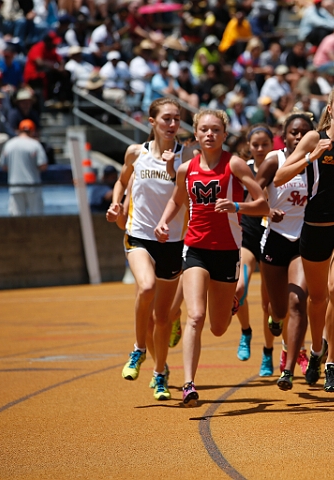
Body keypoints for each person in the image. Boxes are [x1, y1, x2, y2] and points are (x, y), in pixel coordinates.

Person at [154, 109, 269, 407]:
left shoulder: (235, 164)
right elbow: (177, 199)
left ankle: (232, 301)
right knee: (195, 316)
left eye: (215, 129)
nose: (209, 134)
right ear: (195, 134)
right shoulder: (185, 168)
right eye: (204, 129)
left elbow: (263, 205)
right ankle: (189, 384)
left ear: (224, 134)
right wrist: (164, 221)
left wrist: (237, 206)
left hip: (228, 252)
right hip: (195, 249)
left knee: (218, 327)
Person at [274, 84, 334, 392]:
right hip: (313, 228)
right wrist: (310, 157)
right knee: (316, 299)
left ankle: (332, 364)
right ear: (329, 108)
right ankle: (317, 350)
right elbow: (279, 177)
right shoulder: (315, 139)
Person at [106, 98, 189, 401]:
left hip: (173, 241)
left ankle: (160, 373)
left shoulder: (186, 157)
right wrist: (117, 203)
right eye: (166, 118)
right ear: (152, 122)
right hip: (139, 234)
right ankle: (139, 349)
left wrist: (171, 168)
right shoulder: (135, 153)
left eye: (176, 119)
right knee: (146, 287)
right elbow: (122, 180)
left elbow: (184, 194)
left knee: (163, 318)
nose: (172, 124)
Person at [255, 112, 315, 390]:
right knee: (279, 310)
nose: (299, 137)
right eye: (294, 132)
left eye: (304, 132)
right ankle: (273, 318)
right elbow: (252, 195)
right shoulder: (274, 161)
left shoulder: (317, 164)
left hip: (303, 241)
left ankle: (288, 368)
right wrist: (268, 209)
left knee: (296, 302)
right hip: (275, 238)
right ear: (285, 135)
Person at [233, 125, 277, 377]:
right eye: (255, 145)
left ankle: (268, 351)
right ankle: (246, 331)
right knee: (238, 289)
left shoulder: (282, 165)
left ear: (272, 144)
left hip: (273, 235)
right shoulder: (242, 169)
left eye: (265, 144)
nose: (260, 149)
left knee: (269, 304)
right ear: (248, 146)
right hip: (248, 234)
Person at [0, 119, 47, 216]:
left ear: (19, 130)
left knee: (17, 219)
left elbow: (4, 167)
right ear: (33, 131)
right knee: (37, 218)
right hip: (33, 186)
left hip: (15, 186)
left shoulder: (9, 145)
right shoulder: (35, 144)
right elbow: (43, 166)